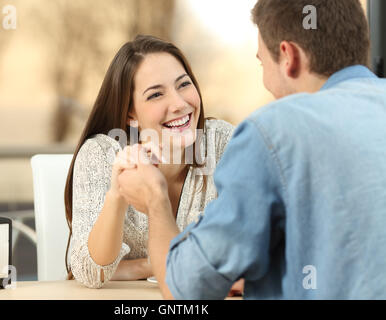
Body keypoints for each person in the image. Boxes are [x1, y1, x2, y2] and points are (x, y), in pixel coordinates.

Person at [117, 0, 386, 299]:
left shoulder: (274, 131)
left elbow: (186, 288)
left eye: (262, 62)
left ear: (288, 57)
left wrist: (155, 200)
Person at [63, 35, 241, 293]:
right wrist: (117, 195)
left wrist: (142, 266)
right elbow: (90, 273)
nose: (180, 104)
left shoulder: (224, 144)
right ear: (130, 114)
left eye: (184, 85)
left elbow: (247, 255)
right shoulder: (101, 154)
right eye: (156, 94)